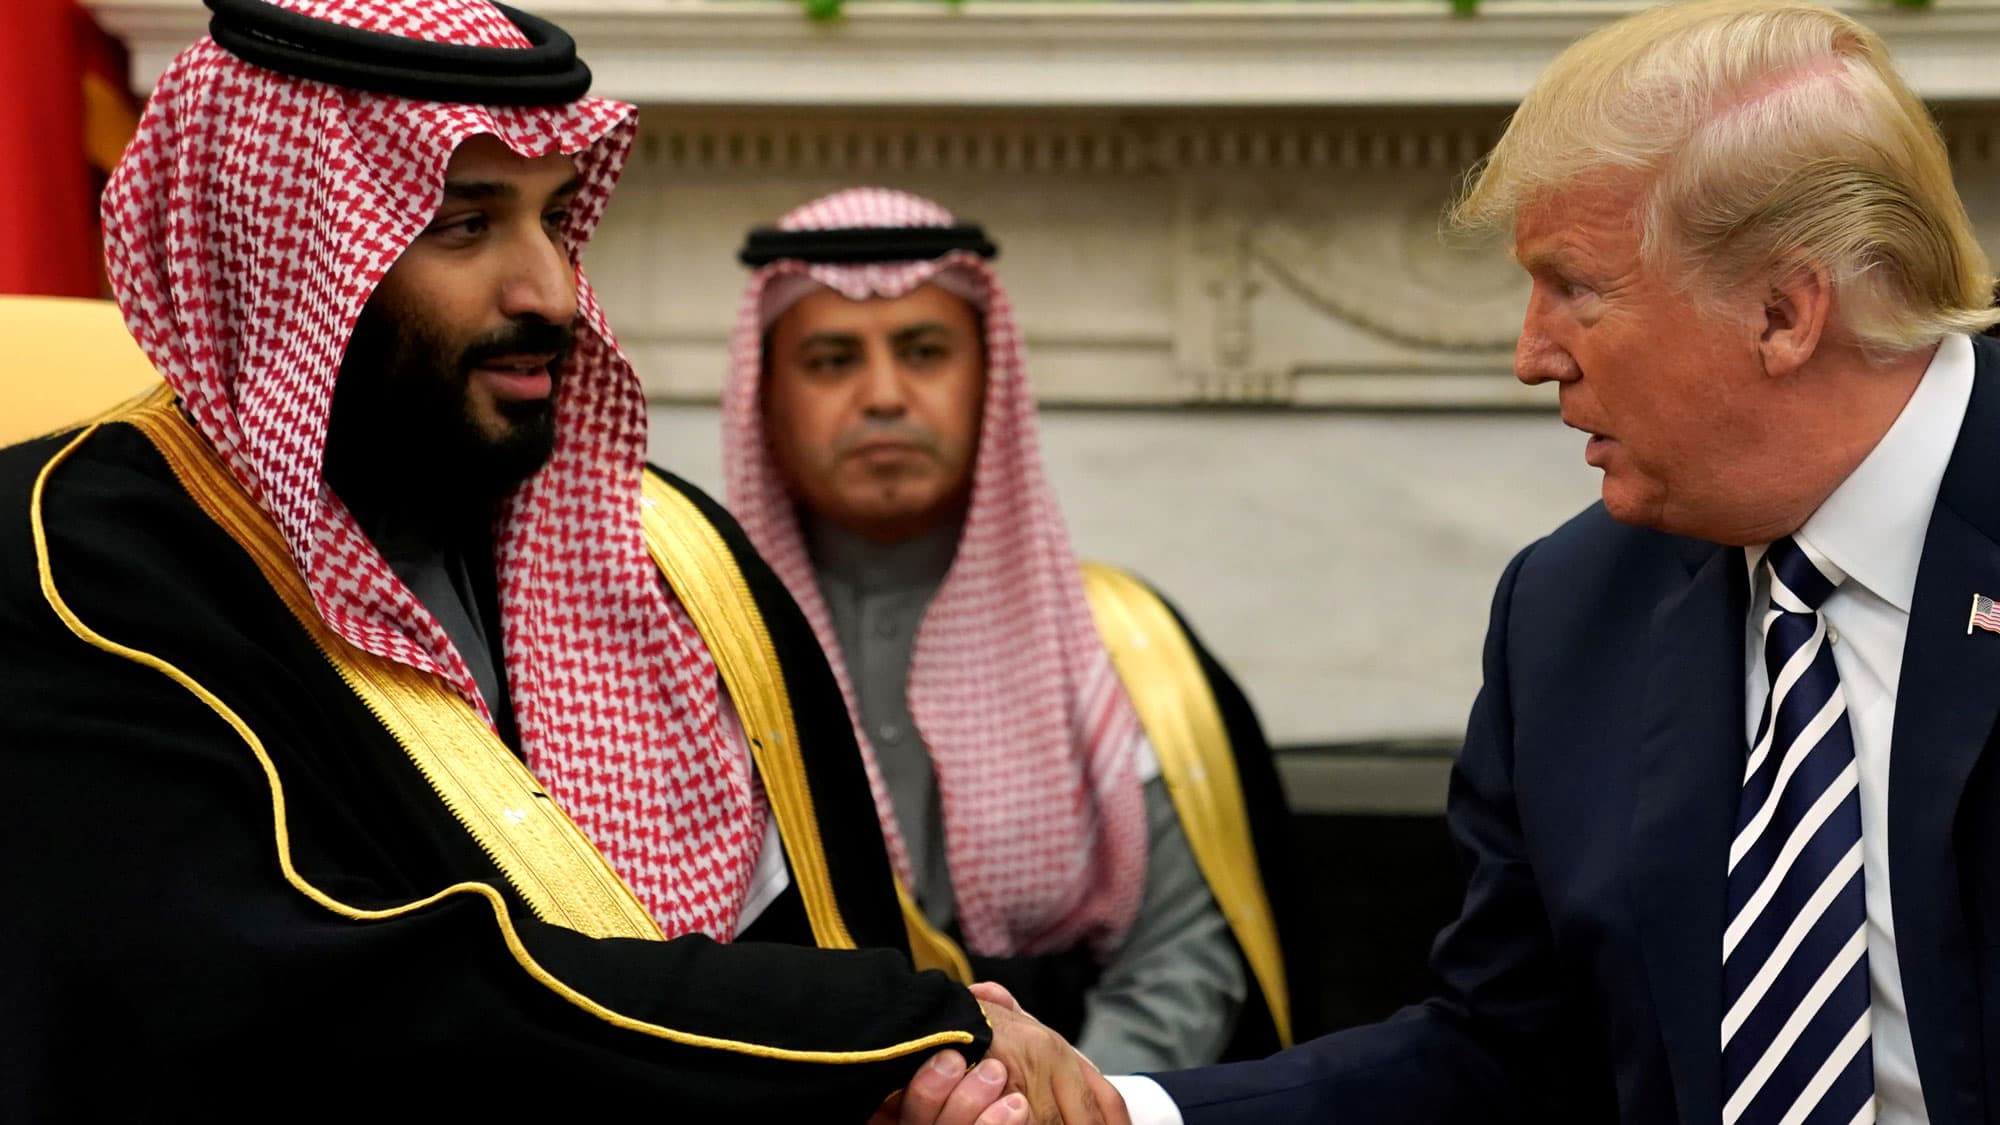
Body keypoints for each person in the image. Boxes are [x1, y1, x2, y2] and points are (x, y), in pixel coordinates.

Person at [0, 3, 1122, 1122]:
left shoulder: (673, 562)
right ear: (285, 254)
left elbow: (817, 940)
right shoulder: (75, 561)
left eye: (554, 216)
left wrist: (935, 1090)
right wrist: (893, 1031)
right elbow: (337, 998)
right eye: (464, 225)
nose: (548, 291)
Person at [1113, 1, 2000, 1122]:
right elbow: (1505, 1055)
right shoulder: (1570, 609)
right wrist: (1124, 1113)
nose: (1530, 358)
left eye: (1573, 288)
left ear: (1782, 312)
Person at [720, 187, 1317, 1077]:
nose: (883, 396)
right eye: (832, 358)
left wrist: (1057, 1107)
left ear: (988, 381)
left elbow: (1183, 957)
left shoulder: (1126, 647)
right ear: (765, 397)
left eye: (923, 352)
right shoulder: (688, 652)